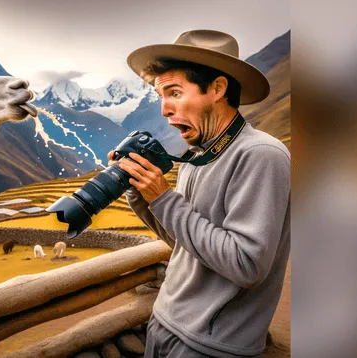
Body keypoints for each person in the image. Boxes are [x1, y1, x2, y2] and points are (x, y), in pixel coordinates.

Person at [109, 30, 290, 357]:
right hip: (164, 322)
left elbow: (246, 264)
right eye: (160, 95)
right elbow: (184, 242)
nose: (165, 109)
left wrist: (163, 197)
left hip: (212, 345)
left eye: (174, 92)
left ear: (218, 89)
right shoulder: (196, 157)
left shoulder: (262, 155)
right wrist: (139, 192)